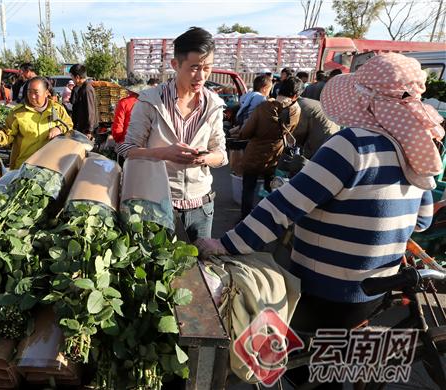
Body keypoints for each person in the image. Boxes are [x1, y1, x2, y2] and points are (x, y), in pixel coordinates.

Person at [196, 53, 441, 334]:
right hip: (376, 288)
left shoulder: (352, 146)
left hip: (326, 287)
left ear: (366, 100)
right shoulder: (415, 149)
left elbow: (284, 206)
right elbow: (422, 221)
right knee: (330, 358)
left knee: (297, 360)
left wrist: (226, 244)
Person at [118, 27, 228, 242]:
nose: (202, 75)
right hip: (158, 204)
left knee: (201, 268)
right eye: (194, 67)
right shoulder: (150, 101)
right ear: (175, 65)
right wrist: (165, 153)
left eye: (207, 68)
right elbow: (127, 150)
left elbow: (222, 154)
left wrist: (204, 158)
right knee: (160, 270)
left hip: (201, 207)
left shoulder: (214, 105)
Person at [231, 76, 303, 218]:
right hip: (275, 154)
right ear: (295, 96)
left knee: (249, 188)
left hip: (254, 153)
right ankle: (267, 217)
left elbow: (246, 132)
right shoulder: (296, 110)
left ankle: (245, 219)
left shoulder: (264, 107)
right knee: (270, 188)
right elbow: (290, 131)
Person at [0, 77, 73, 169]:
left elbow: (69, 124)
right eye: (29, 92)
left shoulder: (57, 109)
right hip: (24, 166)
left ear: (46, 93)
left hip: (49, 167)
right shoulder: (18, 113)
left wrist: (59, 128)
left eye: (36, 92)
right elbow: (7, 134)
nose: (32, 96)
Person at [69, 64, 98, 136]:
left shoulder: (87, 89)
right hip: (82, 127)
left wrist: (89, 130)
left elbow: (90, 110)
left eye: (72, 77)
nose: (72, 80)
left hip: (86, 130)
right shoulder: (81, 88)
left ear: (77, 77)